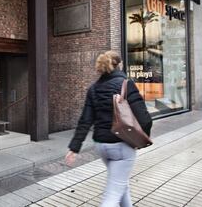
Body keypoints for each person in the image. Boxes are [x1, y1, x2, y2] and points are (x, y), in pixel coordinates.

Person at [65, 51, 152, 207]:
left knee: (120, 184)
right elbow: (144, 119)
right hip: (121, 145)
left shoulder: (93, 88)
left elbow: (85, 120)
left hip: (101, 145)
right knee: (111, 197)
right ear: (119, 65)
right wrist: (139, 140)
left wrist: (74, 147)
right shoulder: (126, 84)